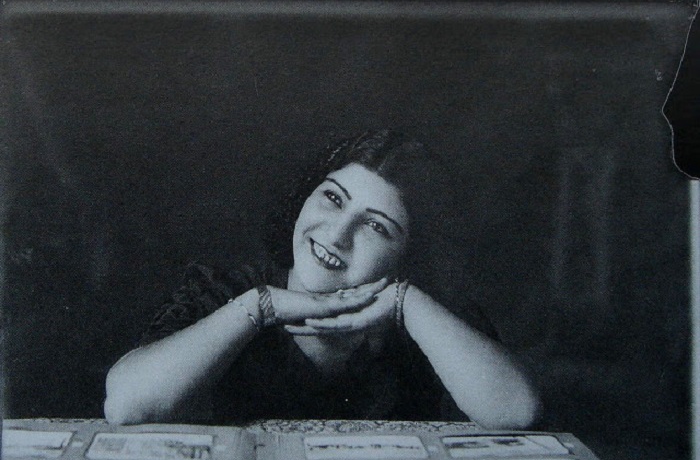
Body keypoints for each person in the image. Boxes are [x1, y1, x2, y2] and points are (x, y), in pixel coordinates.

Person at [104, 129, 540, 428]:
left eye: (376, 226)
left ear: (409, 254)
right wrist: (258, 307)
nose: (337, 234)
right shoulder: (224, 291)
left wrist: (405, 301)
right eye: (333, 198)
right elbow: (126, 404)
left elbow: (517, 411)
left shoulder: (429, 316)